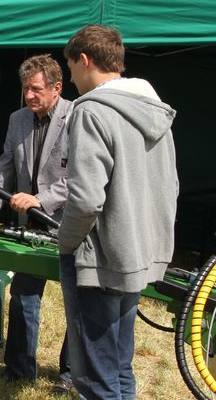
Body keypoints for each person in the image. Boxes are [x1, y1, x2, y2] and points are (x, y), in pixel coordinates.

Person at [59, 24, 177, 398]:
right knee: (119, 365)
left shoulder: (91, 110)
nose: (71, 76)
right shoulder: (155, 110)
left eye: (70, 67)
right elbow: (170, 186)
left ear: (84, 59)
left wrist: (65, 240)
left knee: (95, 376)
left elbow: (86, 198)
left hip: (102, 257)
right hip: (138, 252)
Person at [0, 55, 73, 393]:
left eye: (36, 89)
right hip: (27, 229)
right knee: (23, 296)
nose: (30, 96)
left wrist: (41, 199)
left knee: (75, 303)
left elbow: (83, 176)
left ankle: (70, 374)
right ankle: (19, 368)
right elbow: (3, 172)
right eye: (25, 90)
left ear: (56, 87)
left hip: (68, 225)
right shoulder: (17, 119)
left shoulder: (79, 117)